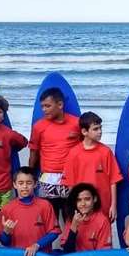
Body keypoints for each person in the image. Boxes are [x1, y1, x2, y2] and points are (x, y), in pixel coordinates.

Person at [28, 87, 81, 220]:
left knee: (71, 219)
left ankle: (70, 241)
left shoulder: (76, 123)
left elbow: (85, 149)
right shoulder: (39, 126)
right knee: (48, 220)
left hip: (70, 178)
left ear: (60, 104)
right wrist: (30, 175)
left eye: (48, 106)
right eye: (42, 106)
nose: (44, 109)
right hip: (47, 178)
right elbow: (33, 152)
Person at [62, 111, 123, 221]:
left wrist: (113, 205)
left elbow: (113, 181)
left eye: (100, 128)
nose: (100, 132)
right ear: (84, 131)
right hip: (82, 206)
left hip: (103, 205)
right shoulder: (74, 153)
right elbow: (70, 184)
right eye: (95, 129)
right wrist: (74, 206)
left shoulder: (106, 152)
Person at [0, 166, 60, 256]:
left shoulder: (45, 205)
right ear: (14, 185)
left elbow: (54, 232)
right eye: (21, 183)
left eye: (29, 183)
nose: (25, 186)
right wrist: (6, 233)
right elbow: (3, 242)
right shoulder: (7, 209)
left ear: (35, 184)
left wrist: (37, 245)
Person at [62, 183, 113, 253]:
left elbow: (103, 253)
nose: (83, 204)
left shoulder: (102, 221)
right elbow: (67, 252)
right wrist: (74, 227)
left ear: (95, 199)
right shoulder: (72, 218)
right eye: (79, 200)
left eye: (87, 199)